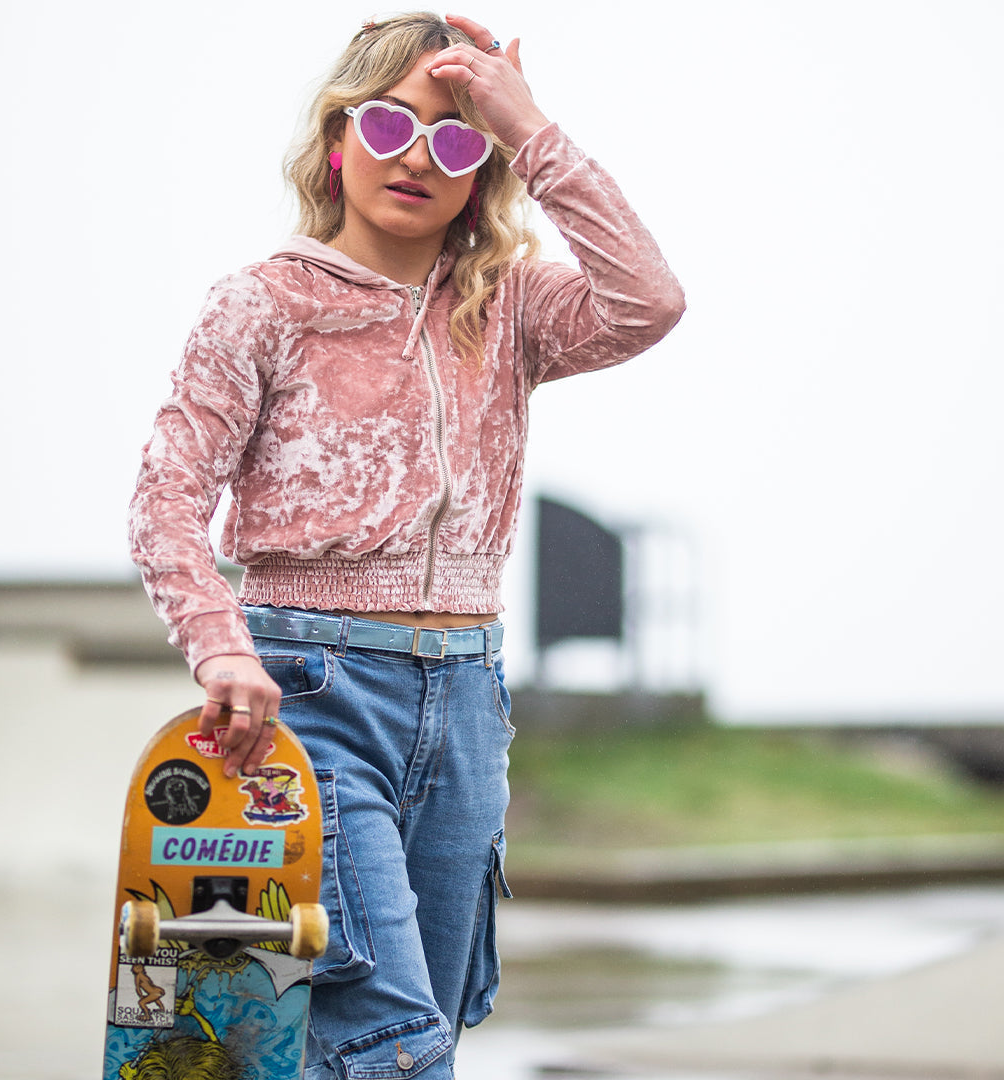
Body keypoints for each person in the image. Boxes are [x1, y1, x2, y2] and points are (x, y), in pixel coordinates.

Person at [129, 11, 685, 1078]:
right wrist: (220, 647)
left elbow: (647, 300)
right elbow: (164, 499)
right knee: (391, 1043)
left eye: (459, 138)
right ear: (339, 139)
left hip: (469, 711)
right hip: (312, 699)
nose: (420, 156)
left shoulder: (507, 308)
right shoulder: (263, 305)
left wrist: (535, 130)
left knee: (412, 1030)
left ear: (485, 172)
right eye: (391, 124)